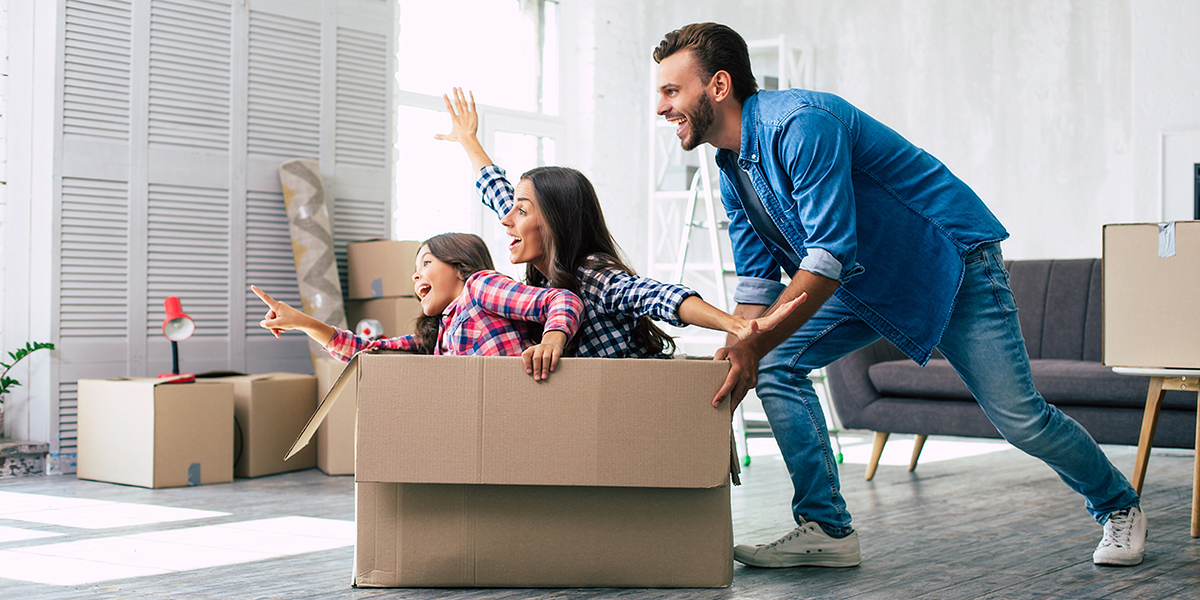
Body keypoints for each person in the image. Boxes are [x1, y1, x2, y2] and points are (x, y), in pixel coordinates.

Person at [651, 22, 1146, 568]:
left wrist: (756, 342)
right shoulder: (731, 169)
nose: (660, 107)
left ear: (718, 86)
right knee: (773, 365)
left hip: (949, 265)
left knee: (1020, 418)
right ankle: (827, 529)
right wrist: (740, 348)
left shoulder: (802, 123)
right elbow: (756, 285)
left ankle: (1119, 506)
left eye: (671, 91)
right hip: (865, 282)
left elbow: (828, 255)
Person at [435, 88, 804, 358]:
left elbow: (657, 296)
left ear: (554, 223)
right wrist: (469, 140)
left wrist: (732, 323)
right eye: (512, 209)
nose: (506, 219)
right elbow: (499, 193)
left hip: (634, 408)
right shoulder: (544, 269)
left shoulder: (592, 275)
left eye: (521, 211)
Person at [253, 232, 583, 380]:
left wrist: (552, 339)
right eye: (415, 268)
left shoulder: (480, 286)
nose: (416, 275)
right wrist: (305, 323)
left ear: (458, 265)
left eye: (426, 262)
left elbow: (562, 298)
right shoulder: (439, 334)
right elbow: (369, 353)